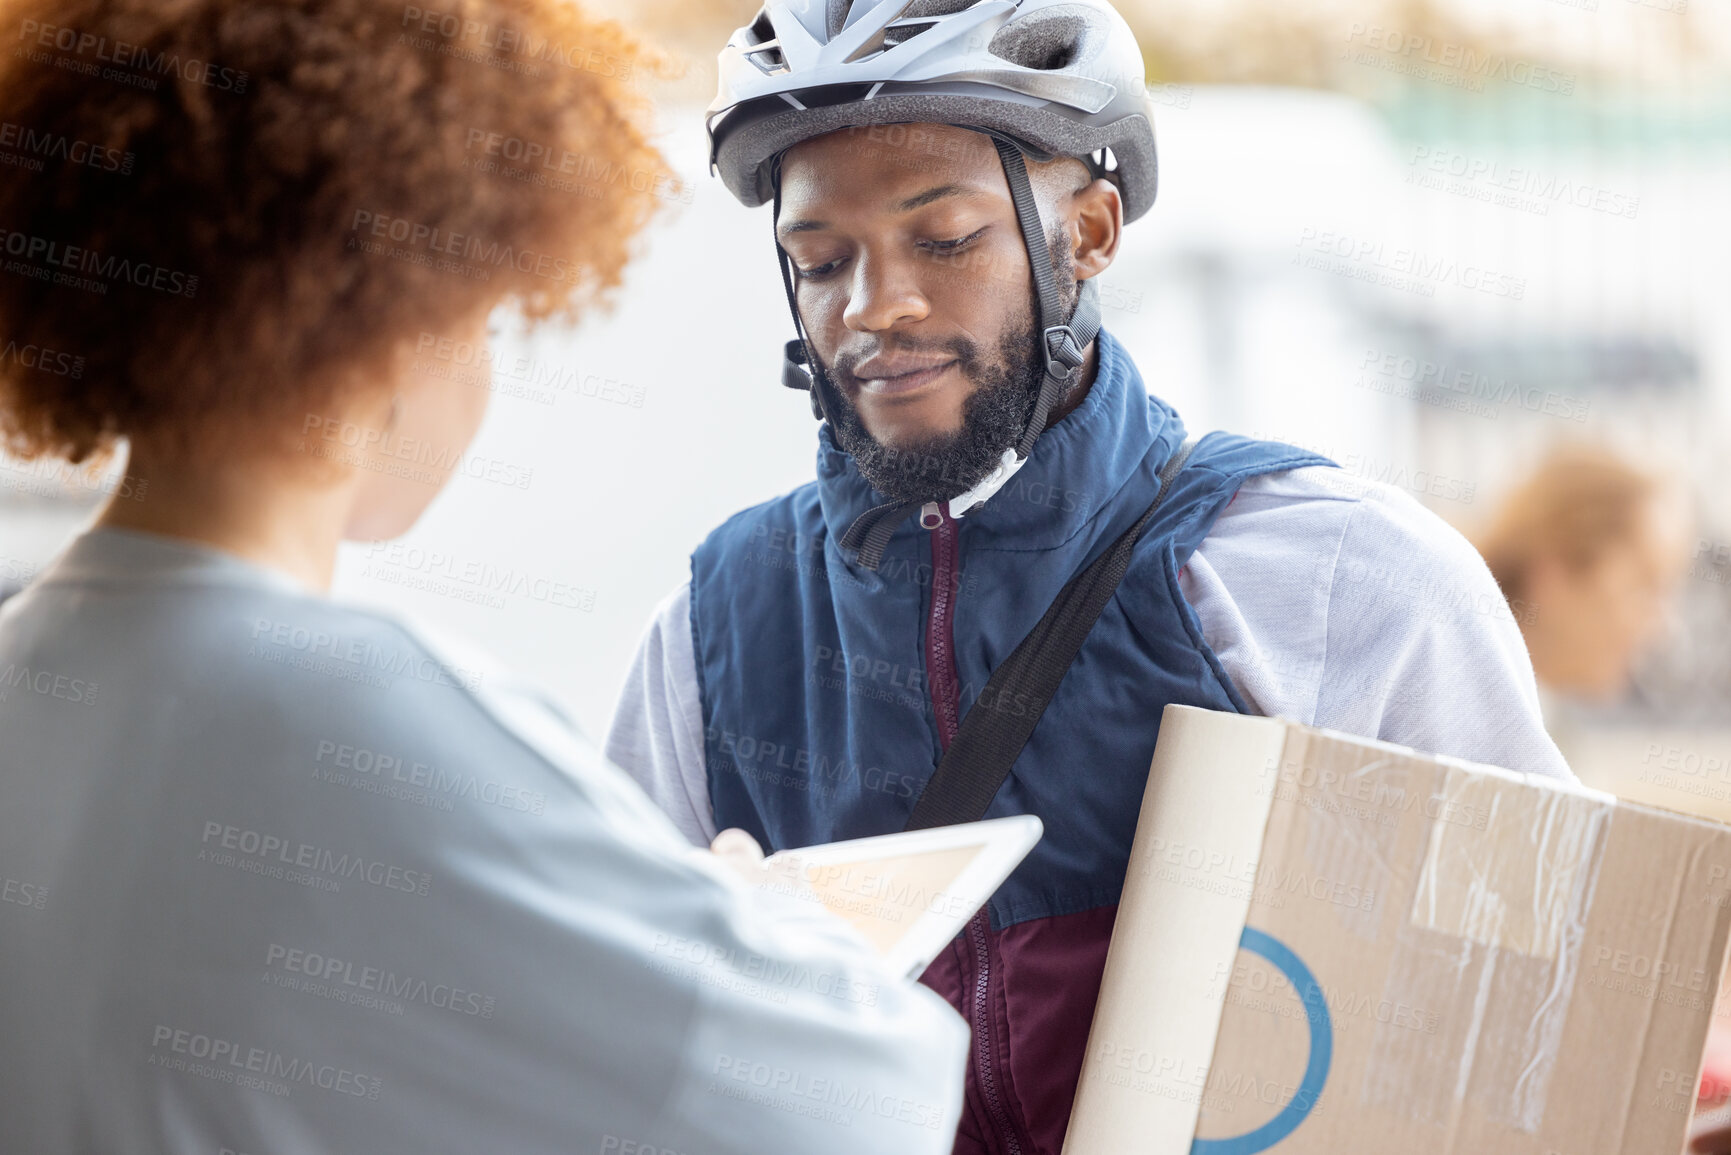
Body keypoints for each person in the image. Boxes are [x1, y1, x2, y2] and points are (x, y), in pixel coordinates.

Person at [604, 2, 1573, 1151]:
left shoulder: (1340, 579)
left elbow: (1543, 1027)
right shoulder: (711, 638)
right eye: (820, 261)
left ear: (1092, 231)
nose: (874, 307)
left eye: (946, 238)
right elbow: (610, 1071)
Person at [0, 1, 966, 1152]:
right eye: (482, 323)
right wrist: (747, 931)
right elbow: (862, 1096)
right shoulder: (346, 704)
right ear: (391, 326)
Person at [1476, 446, 1690, 724]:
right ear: (1554, 573)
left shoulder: (1517, 707)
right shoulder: (1462, 713)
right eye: (1644, 589)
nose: (1661, 628)